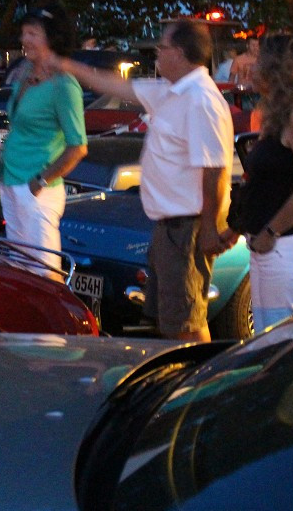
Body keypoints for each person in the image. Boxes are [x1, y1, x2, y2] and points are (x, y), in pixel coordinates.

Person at [51, 20, 233, 342]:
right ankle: (178, 377)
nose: (157, 54)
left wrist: (208, 228)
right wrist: (63, 63)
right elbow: (109, 84)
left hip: (187, 228)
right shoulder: (169, 93)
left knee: (187, 323)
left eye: (161, 48)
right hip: (169, 226)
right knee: (171, 318)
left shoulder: (201, 100)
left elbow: (215, 170)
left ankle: (196, 384)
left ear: (179, 52)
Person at [219, 34, 293, 332]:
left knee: (282, 345)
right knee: (269, 341)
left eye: (259, 63)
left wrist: (271, 231)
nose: (251, 70)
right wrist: (237, 227)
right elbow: (262, 185)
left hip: (286, 247)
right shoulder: (277, 116)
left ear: (279, 70)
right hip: (270, 247)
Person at [0, 6, 87, 282]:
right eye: (23, 33)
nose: (25, 39)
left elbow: (78, 147)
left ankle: (56, 326)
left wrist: (40, 181)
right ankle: (25, 324)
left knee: (45, 275)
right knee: (20, 270)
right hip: (10, 181)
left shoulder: (64, 86)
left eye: (32, 33)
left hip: (37, 191)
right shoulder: (24, 74)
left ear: (52, 38)